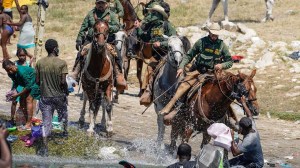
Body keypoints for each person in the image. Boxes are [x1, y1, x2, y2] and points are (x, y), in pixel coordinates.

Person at [160, 23, 233, 116]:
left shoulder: (222, 45)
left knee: (225, 91)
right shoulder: (201, 42)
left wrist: (222, 65)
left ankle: (230, 116)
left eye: (216, 34)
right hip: (199, 71)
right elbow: (189, 56)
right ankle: (175, 106)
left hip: (214, 73)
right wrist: (181, 66)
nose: (214, 36)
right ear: (209, 32)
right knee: (183, 85)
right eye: (213, 34)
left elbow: (230, 61)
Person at [72, 0, 126, 88]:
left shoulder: (111, 14)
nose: (100, 5)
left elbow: (117, 27)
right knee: (81, 53)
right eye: (99, 3)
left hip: (107, 40)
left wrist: (106, 27)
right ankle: (76, 73)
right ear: (96, 4)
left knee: (117, 55)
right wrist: (79, 39)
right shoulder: (90, 14)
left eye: (102, 3)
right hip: (91, 40)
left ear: (106, 4)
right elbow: (83, 27)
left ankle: (118, 75)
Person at [134, 4, 176, 106]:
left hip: (168, 55)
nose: (150, 15)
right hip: (156, 56)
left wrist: (161, 44)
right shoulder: (151, 27)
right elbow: (144, 38)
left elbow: (175, 40)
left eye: (153, 13)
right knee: (149, 70)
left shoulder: (167, 26)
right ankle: (148, 92)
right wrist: (138, 28)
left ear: (158, 14)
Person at [35, 39, 69, 157]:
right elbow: (63, 81)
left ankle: (45, 146)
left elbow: (37, 81)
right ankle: (64, 132)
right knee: (63, 114)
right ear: (55, 49)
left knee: (46, 122)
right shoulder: (62, 63)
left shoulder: (40, 63)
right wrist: (66, 91)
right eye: (57, 47)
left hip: (45, 97)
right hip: (59, 96)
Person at [2, 59, 40, 130]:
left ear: (14, 65)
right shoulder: (10, 73)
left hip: (35, 82)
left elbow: (28, 86)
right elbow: (16, 82)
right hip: (26, 84)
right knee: (22, 101)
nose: (10, 71)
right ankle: (27, 120)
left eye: (10, 69)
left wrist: (17, 95)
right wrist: (12, 92)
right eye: (7, 70)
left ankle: (28, 123)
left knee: (29, 99)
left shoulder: (22, 72)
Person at [229, 95, 264, 168]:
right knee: (225, 164)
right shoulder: (251, 125)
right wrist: (243, 103)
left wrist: (232, 138)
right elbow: (249, 114)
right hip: (247, 158)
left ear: (244, 129)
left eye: (240, 128)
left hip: (255, 164)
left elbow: (235, 153)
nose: (239, 129)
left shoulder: (249, 140)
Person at [10, 48, 33, 126]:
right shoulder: (14, 64)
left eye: (24, 55)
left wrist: (30, 57)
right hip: (16, 85)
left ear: (26, 55)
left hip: (24, 86)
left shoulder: (27, 64)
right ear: (17, 56)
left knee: (23, 103)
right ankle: (12, 119)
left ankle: (26, 120)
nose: (22, 57)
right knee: (14, 101)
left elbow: (29, 76)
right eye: (20, 55)